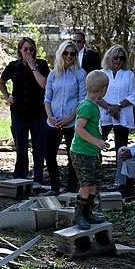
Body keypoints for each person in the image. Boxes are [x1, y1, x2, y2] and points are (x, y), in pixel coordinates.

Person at [0, 37, 49, 186]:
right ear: (20, 50)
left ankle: (38, 176)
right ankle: (20, 176)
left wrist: (33, 66)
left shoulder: (41, 64)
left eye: (31, 49)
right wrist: (7, 97)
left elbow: (45, 84)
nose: (28, 52)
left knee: (38, 145)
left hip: (37, 111)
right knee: (20, 144)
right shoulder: (13, 66)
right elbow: (1, 82)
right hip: (19, 111)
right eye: (25, 49)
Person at [43, 39, 87, 195]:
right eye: (66, 53)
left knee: (72, 156)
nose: (69, 56)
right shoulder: (53, 74)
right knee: (49, 154)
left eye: (73, 53)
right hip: (53, 121)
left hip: (71, 122)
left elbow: (82, 100)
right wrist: (51, 117)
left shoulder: (80, 74)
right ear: (60, 54)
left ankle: (71, 189)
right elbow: (47, 98)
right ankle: (55, 187)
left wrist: (69, 118)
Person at [69, 71, 112, 228]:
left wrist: (98, 144)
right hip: (82, 153)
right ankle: (78, 215)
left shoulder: (94, 105)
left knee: (93, 184)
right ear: (102, 90)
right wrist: (97, 142)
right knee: (86, 185)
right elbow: (79, 129)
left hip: (92, 152)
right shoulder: (86, 106)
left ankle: (88, 213)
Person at [97, 44, 135, 151]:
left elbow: (132, 96)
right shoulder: (100, 74)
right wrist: (110, 109)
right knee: (97, 143)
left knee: (121, 147)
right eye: (115, 57)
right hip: (103, 114)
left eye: (122, 58)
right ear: (109, 58)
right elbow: (95, 95)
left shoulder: (129, 74)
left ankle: (121, 168)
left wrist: (118, 107)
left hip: (122, 114)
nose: (118, 61)